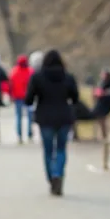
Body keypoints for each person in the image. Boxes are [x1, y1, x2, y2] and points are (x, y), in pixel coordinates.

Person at [25, 49, 79, 196]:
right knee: (61, 149)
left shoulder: (37, 77)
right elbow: (75, 98)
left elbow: (29, 99)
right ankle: (58, 172)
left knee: (48, 151)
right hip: (63, 116)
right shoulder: (68, 77)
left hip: (45, 117)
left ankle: (51, 177)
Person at [9, 55, 34, 143]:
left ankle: (19, 135)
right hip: (28, 97)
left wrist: (11, 96)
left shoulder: (14, 72)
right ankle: (29, 133)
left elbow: (10, 85)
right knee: (30, 116)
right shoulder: (30, 71)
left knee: (19, 116)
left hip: (18, 97)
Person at [92, 68, 110, 140]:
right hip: (100, 106)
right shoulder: (102, 83)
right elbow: (98, 93)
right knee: (99, 118)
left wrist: (104, 94)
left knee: (101, 118)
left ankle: (104, 136)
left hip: (105, 106)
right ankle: (103, 136)